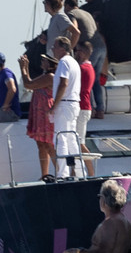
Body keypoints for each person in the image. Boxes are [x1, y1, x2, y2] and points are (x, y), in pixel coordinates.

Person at [18, 52, 58, 181]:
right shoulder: (44, 76)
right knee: (41, 144)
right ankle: (44, 174)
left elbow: (28, 84)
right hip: (39, 112)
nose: (42, 61)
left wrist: (23, 68)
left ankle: (60, 171)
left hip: (45, 112)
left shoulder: (50, 77)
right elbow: (30, 84)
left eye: (45, 60)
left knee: (48, 144)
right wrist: (26, 69)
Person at [49, 37, 82, 180]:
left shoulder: (63, 62)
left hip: (65, 104)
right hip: (73, 103)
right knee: (71, 139)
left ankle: (62, 174)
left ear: (62, 48)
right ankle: (81, 172)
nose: (52, 50)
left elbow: (64, 83)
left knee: (61, 138)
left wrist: (54, 106)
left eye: (54, 47)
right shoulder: (74, 62)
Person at [75, 40, 97, 176]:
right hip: (84, 107)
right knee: (78, 142)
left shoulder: (82, 69)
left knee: (79, 142)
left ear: (82, 53)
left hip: (82, 108)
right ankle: (85, 172)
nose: (75, 53)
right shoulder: (89, 68)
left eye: (77, 51)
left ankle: (91, 173)